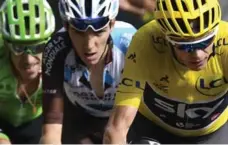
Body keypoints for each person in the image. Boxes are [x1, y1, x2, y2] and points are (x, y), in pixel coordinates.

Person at [104, 0, 228, 144]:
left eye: (206, 41)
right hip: (153, 128)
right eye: (185, 46)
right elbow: (117, 128)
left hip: (211, 132)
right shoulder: (146, 42)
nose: (198, 55)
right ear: (166, 38)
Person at [40, 0, 136, 144]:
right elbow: (51, 128)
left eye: (98, 31)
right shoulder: (56, 49)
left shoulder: (131, 44)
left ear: (112, 24)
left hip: (127, 120)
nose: (89, 46)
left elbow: (118, 129)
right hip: (79, 121)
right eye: (79, 32)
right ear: (66, 26)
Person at [0, 0, 55, 144]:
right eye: (18, 48)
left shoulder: (58, 57)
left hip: (35, 123)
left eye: (37, 48)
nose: (29, 60)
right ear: (6, 44)